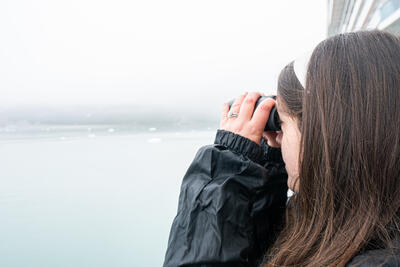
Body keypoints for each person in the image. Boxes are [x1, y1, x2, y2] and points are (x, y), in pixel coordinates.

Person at [162, 30, 400, 267]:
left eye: (282, 125)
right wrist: (271, 170)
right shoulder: (358, 234)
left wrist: (223, 173)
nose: (277, 139)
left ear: (322, 133)